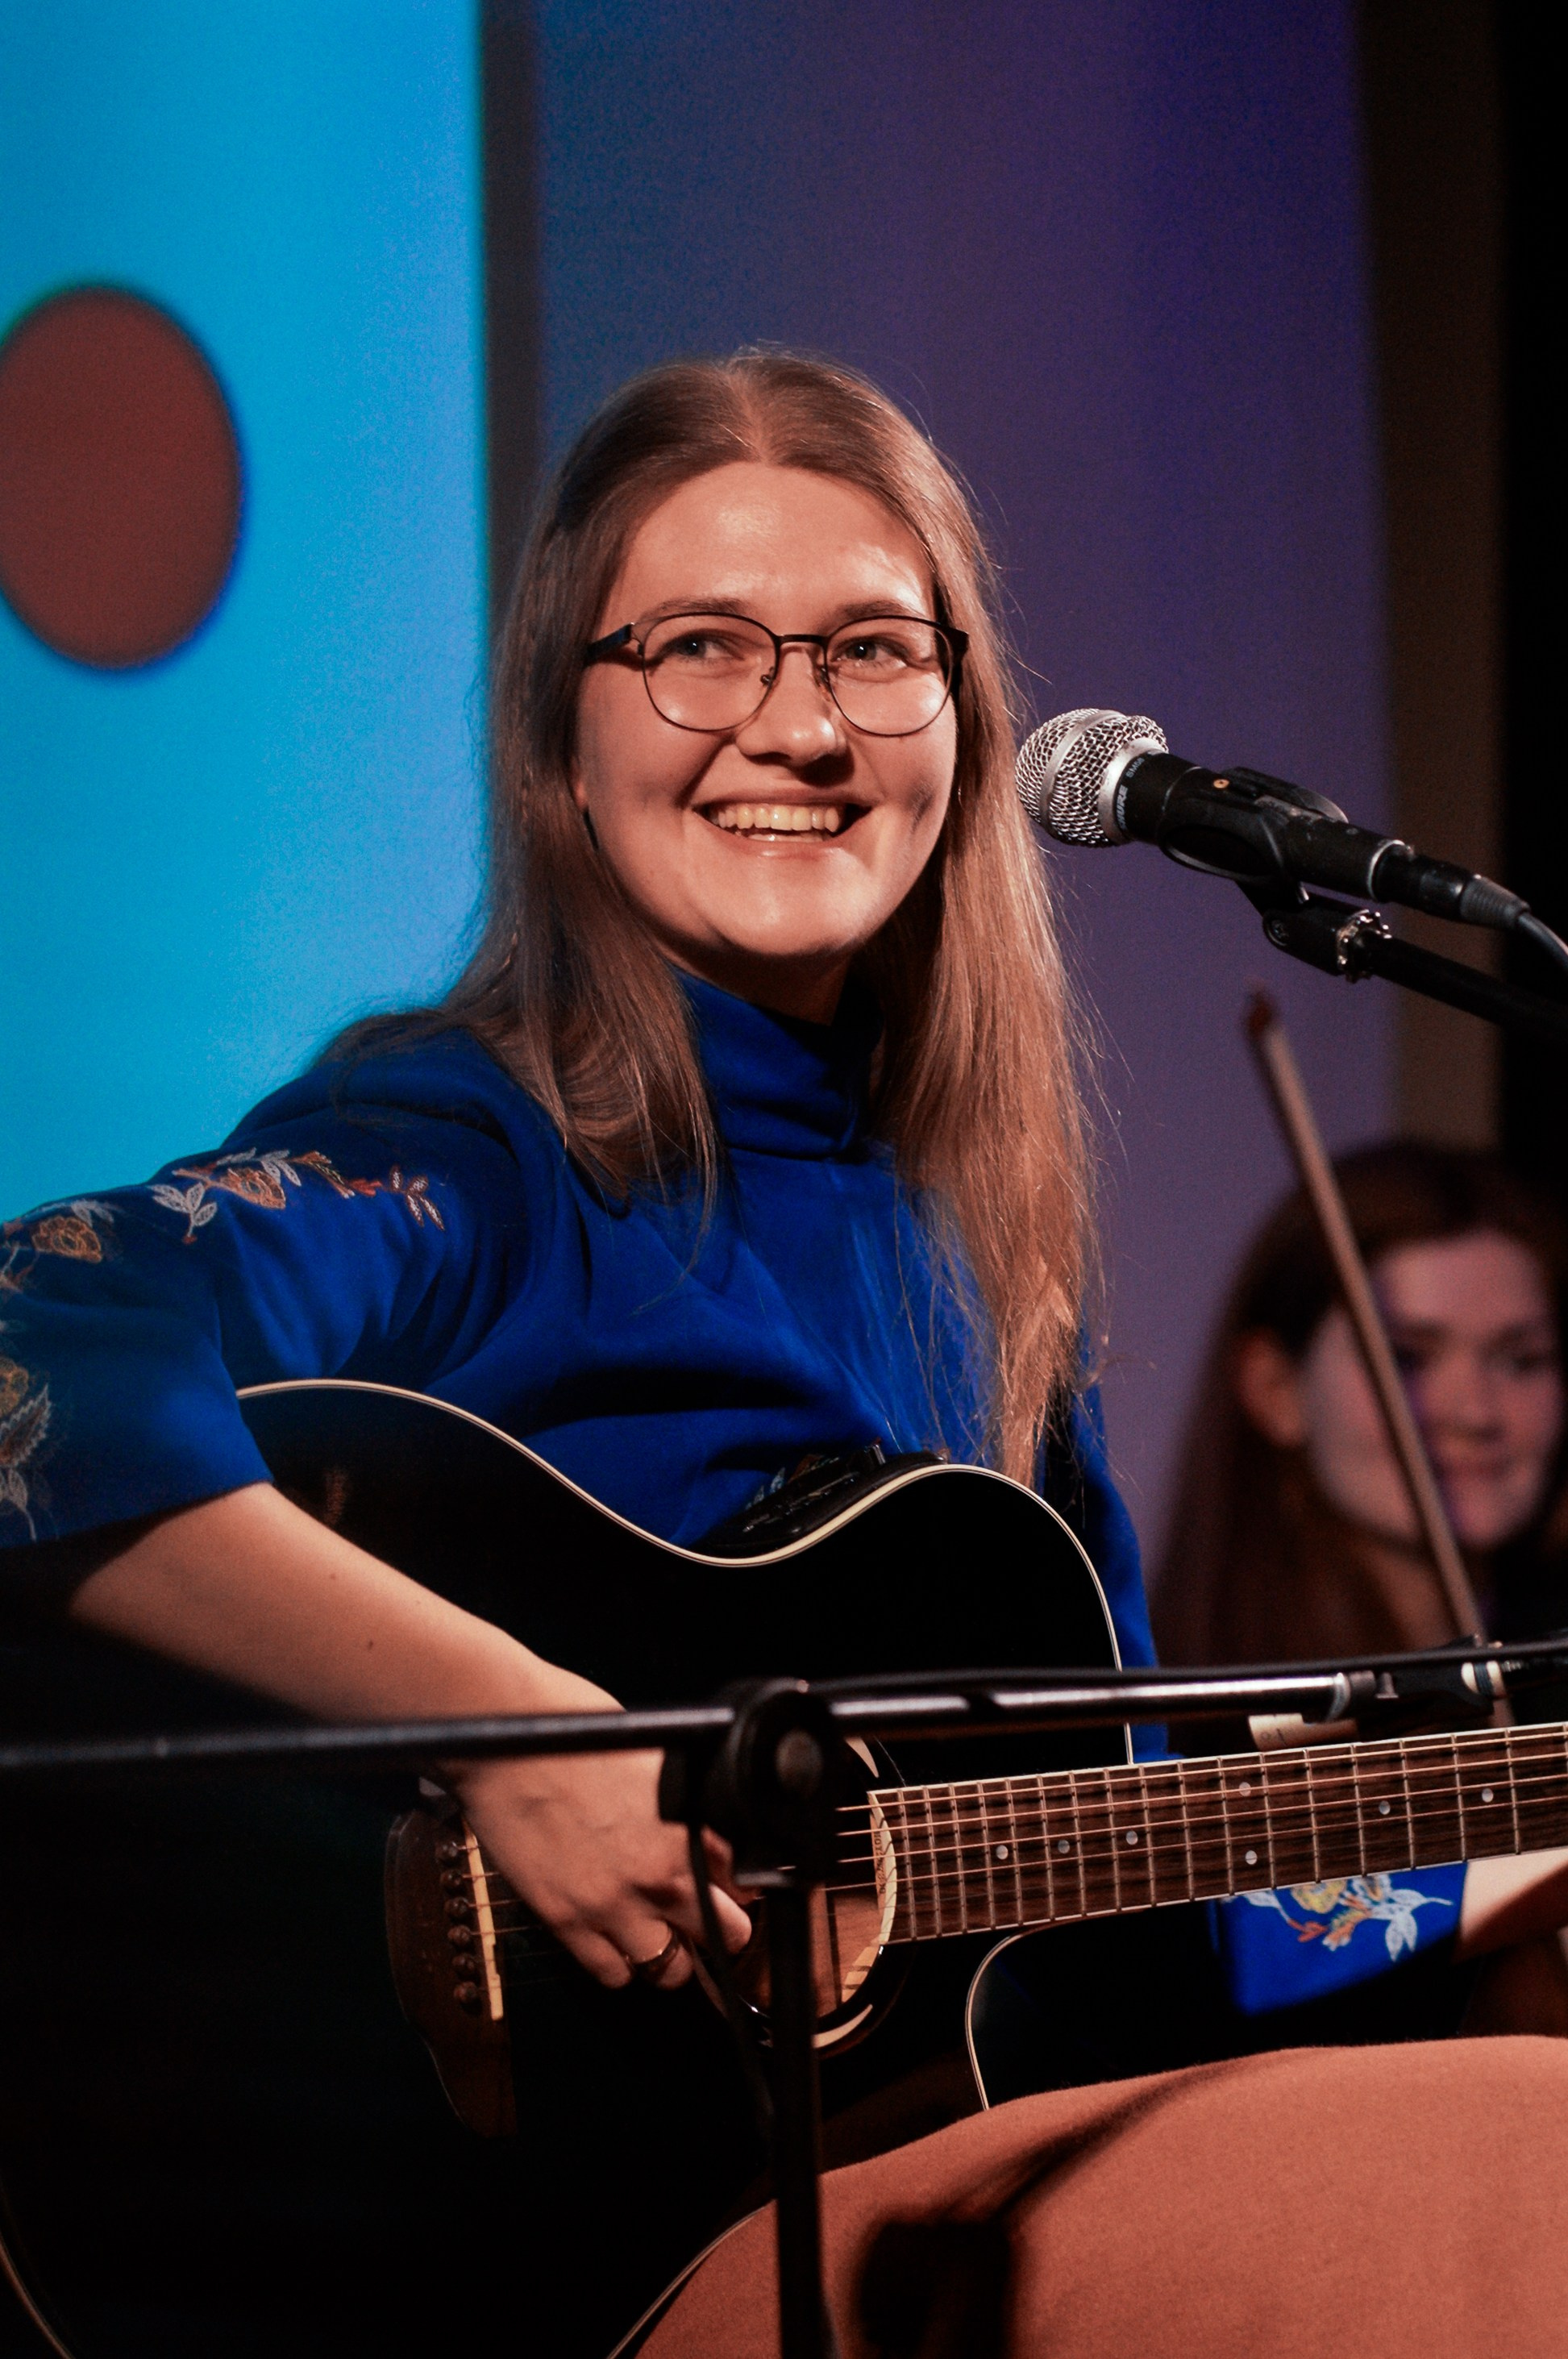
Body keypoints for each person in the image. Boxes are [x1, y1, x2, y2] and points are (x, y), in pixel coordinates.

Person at [6, 353, 1568, 2359]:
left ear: (967, 727)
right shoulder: (476, 1155)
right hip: (508, 2267)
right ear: (557, 746)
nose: (800, 727)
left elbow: (1130, 1873)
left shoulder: (987, 1260)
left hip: (860, 2196)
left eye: (868, 653)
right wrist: (513, 1732)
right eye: (697, 652)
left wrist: (1473, 1859)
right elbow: (27, 1345)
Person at [1152, 1142, 1568, 1668]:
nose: (1475, 1415)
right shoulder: (1158, 1714)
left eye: (1520, 1361)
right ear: (1275, 1389)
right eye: (1406, 1359)